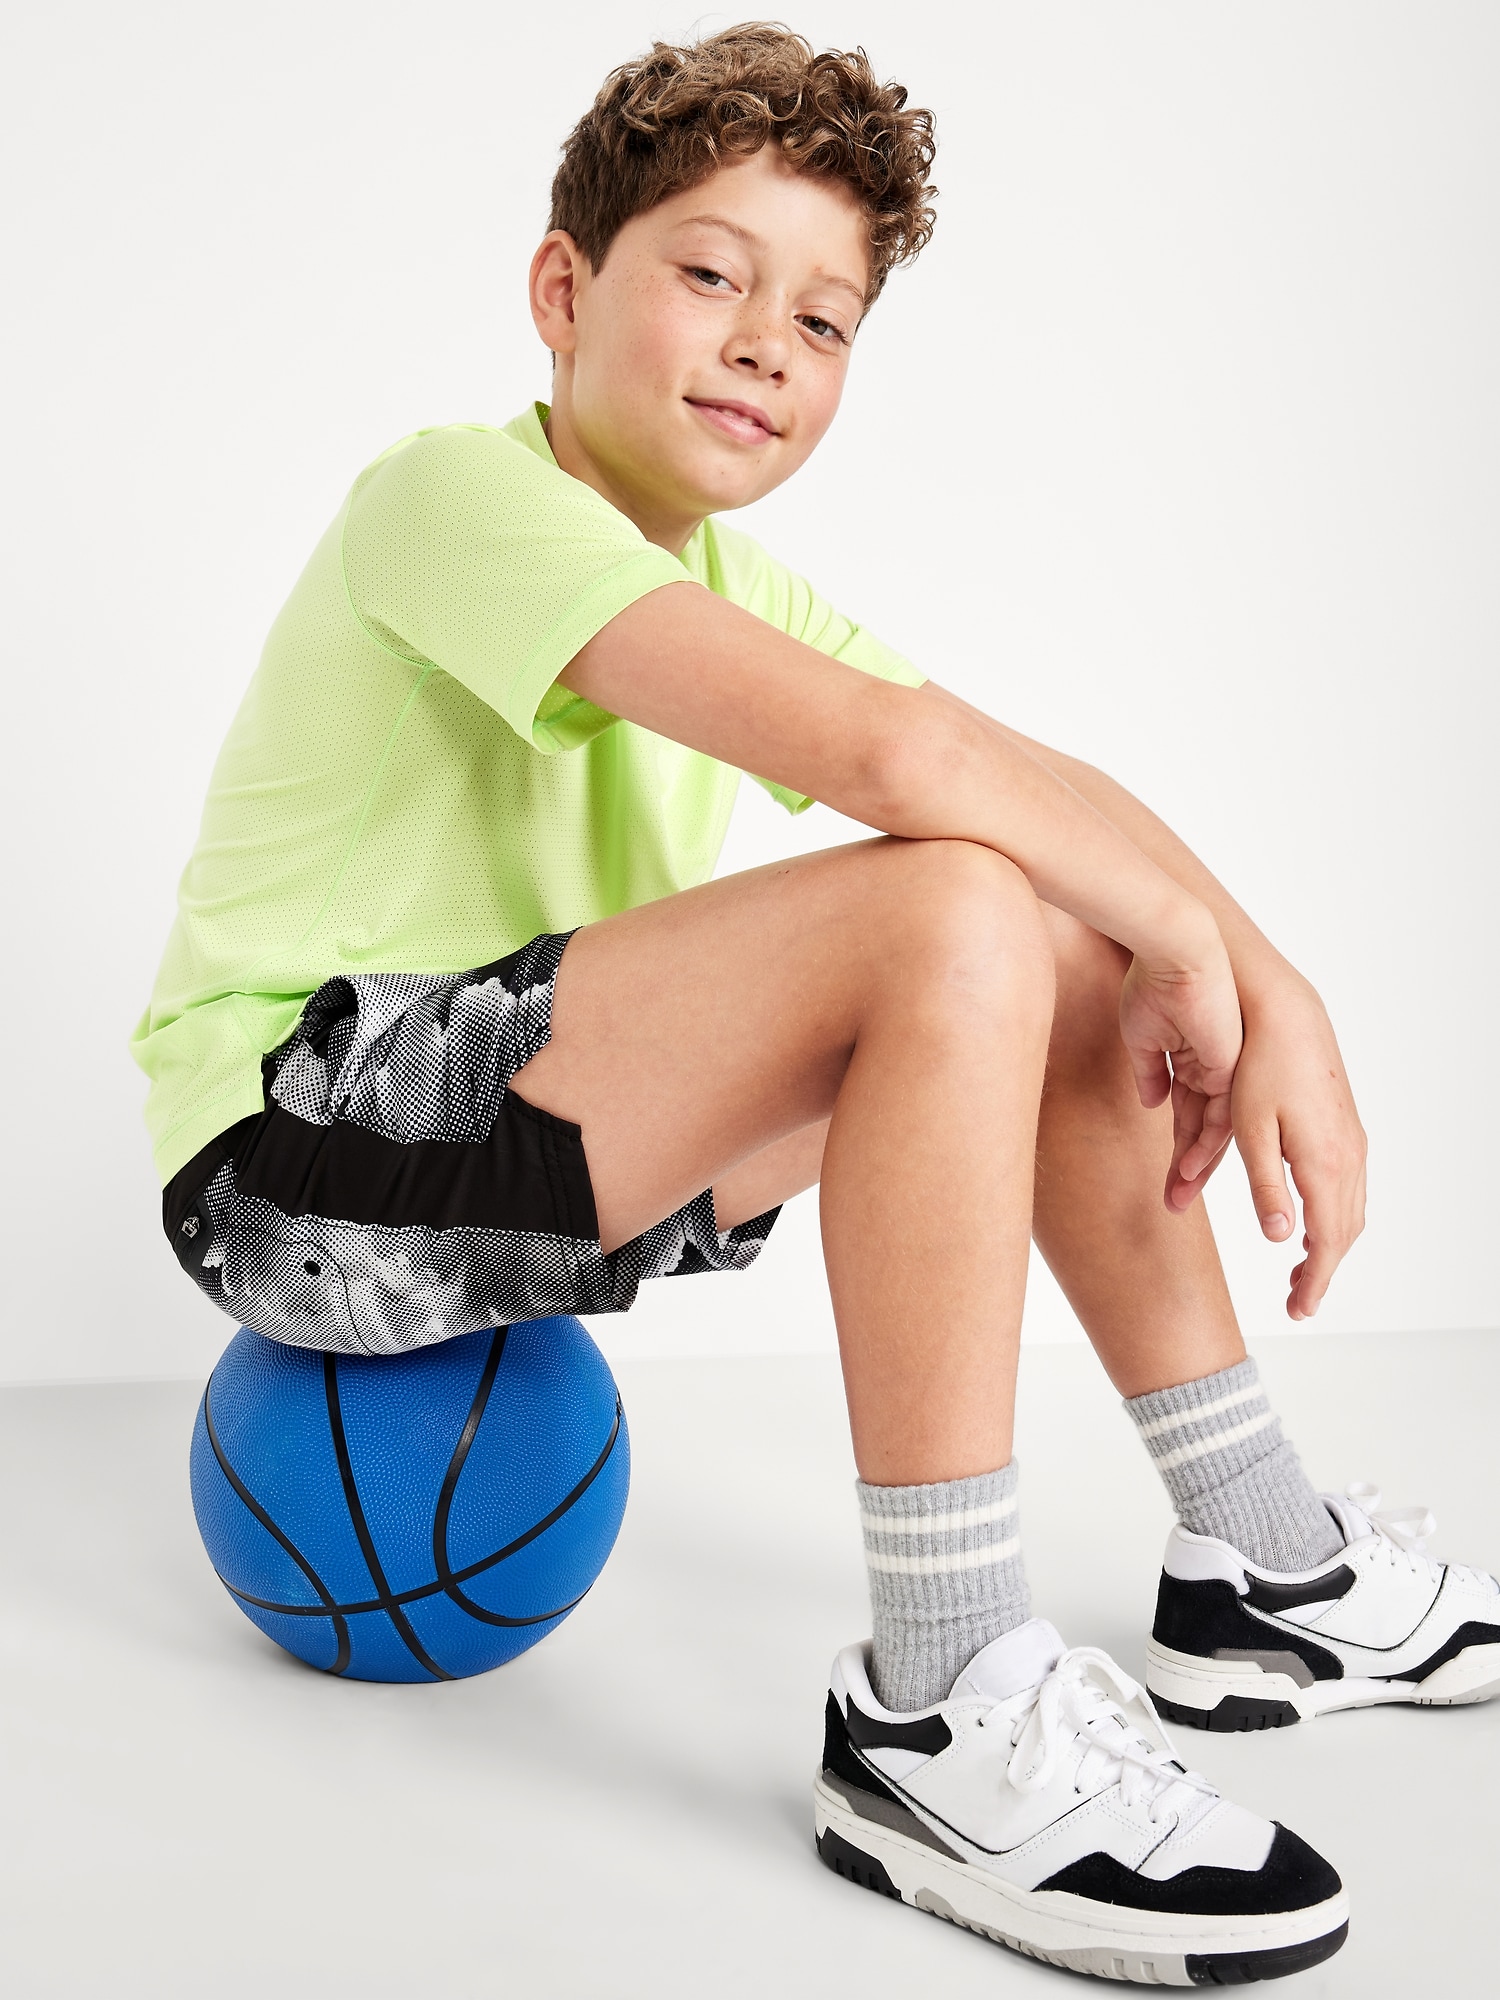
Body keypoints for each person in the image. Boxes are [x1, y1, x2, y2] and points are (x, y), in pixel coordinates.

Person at [133, 24, 1500, 1985]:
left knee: (1056, 944)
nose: (767, 344)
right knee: (956, 897)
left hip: (503, 1154)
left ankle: (1261, 1556)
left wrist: (1260, 974)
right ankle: (940, 1703)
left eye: (825, 320)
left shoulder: (732, 581)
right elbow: (894, 759)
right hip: (290, 1156)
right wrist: (1193, 940)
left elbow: (1008, 766)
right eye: (712, 273)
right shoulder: (447, 495)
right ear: (561, 289)